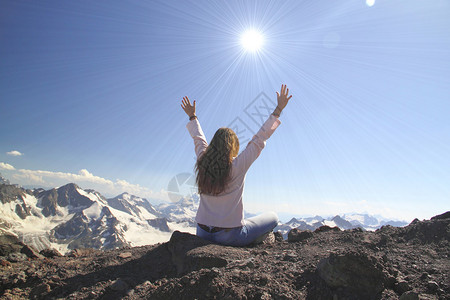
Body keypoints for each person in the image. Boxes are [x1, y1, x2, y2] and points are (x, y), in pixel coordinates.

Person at [181, 84, 292, 246]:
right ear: (233, 147)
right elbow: (260, 139)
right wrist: (278, 110)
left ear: (213, 145)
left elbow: (198, 138)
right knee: (273, 217)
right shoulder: (238, 165)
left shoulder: (203, 161)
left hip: (202, 233)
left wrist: (192, 116)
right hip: (230, 236)